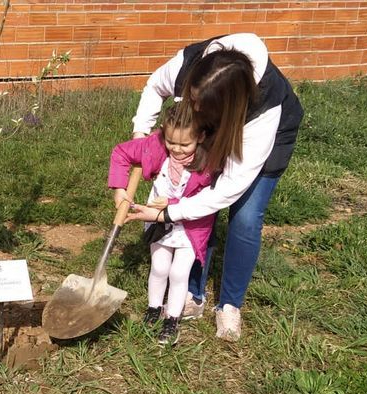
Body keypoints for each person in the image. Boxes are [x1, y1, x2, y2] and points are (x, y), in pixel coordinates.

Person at [126, 33, 304, 342]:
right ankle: (194, 293)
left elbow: (227, 190)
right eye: (190, 98)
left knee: (245, 218)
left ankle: (230, 304)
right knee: (196, 203)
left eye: (198, 105)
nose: (190, 107)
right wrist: (141, 132)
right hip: (211, 130)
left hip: (270, 138)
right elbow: (156, 87)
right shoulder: (192, 64)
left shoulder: (263, 112)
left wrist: (168, 213)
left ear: (224, 109)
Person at [108, 103, 216, 346]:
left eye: (184, 145)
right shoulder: (155, 146)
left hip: (191, 227)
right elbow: (121, 153)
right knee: (158, 268)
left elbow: (208, 199)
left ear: (200, 136)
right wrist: (119, 189)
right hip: (156, 222)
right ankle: (153, 308)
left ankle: (172, 319)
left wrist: (173, 202)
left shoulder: (210, 162)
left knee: (179, 273)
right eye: (171, 142)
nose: (176, 149)